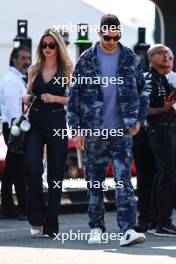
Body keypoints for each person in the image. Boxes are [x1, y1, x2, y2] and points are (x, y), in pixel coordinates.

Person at [67, 14, 149, 246]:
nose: (112, 41)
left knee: (123, 180)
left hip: (122, 131)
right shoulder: (86, 59)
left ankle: (127, 230)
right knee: (95, 182)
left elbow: (143, 90)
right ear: (99, 33)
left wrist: (139, 120)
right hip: (94, 132)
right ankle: (96, 227)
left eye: (116, 37)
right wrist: (76, 129)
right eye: (107, 37)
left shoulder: (129, 57)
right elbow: (73, 98)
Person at [22, 28, 72, 237]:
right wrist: (26, 98)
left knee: (56, 173)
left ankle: (51, 223)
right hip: (35, 121)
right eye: (44, 45)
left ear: (59, 47)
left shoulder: (68, 71)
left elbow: (76, 100)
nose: (48, 48)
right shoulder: (34, 69)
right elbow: (29, 95)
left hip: (57, 120)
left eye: (52, 45)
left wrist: (56, 98)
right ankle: (37, 215)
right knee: (33, 169)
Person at [145, 44, 176, 236]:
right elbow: (143, 110)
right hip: (159, 131)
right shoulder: (149, 80)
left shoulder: (163, 79)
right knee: (166, 174)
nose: (165, 56)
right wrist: (164, 109)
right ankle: (162, 222)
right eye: (160, 53)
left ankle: (156, 221)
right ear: (150, 58)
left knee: (163, 174)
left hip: (166, 130)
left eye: (167, 53)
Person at [0, 46, 31, 220]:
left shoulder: (16, 78)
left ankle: (8, 208)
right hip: (16, 128)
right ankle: (22, 208)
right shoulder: (11, 81)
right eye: (23, 58)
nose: (27, 61)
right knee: (19, 170)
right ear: (14, 59)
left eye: (28, 58)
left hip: (16, 128)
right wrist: (18, 134)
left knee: (11, 171)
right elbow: (14, 111)